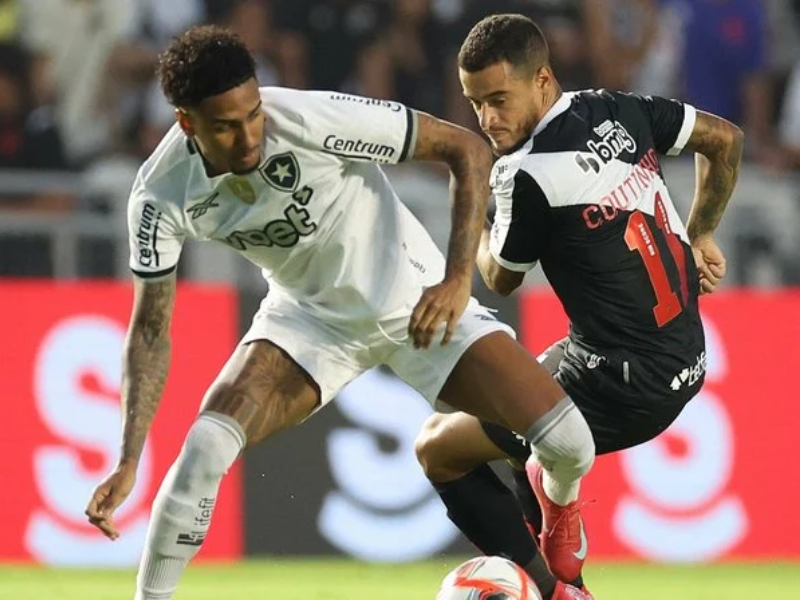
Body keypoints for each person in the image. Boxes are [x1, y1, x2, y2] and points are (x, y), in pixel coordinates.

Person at [83, 25, 595, 600]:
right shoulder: (159, 196)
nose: (250, 137)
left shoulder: (309, 118)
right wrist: (129, 459)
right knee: (204, 448)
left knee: (572, 442)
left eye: (253, 113)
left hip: (418, 301)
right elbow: (149, 331)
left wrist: (456, 280)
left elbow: (465, 149)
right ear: (186, 123)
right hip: (308, 324)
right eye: (226, 127)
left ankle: (558, 563)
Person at [414, 12, 743, 595]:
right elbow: (725, 140)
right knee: (519, 404)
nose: (488, 119)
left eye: (498, 98)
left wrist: (471, 199)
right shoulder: (618, 108)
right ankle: (557, 531)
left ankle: (557, 586)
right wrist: (701, 234)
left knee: (438, 448)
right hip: (684, 356)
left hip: (620, 384)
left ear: (541, 79)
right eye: (475, 104)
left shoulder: (527, 172)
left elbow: (499, 278)